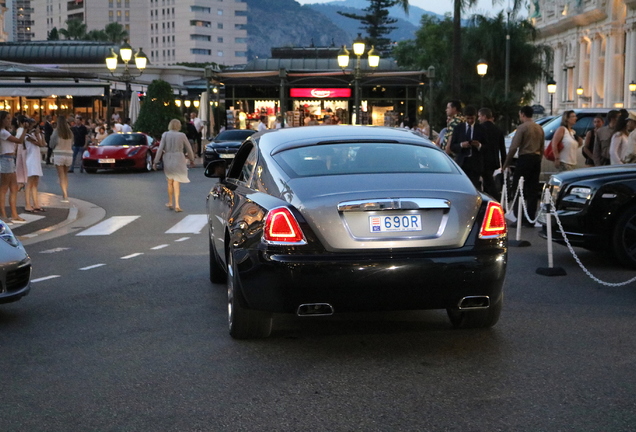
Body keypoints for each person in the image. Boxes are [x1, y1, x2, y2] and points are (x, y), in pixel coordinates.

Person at [502, 106, 545, 226]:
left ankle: (518, 216)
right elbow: (542, 147)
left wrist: (506, 163)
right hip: (536, 159)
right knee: (532, 189)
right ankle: (530, 216)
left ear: (522, 114)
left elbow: (514, 147)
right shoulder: (539, 128)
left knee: (518, 188)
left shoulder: (522, 128)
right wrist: (539, 159)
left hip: (525, 158)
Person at [153, 119, 195, 212]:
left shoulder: (165, 134)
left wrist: (155, 161)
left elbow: (160, 149)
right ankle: (177, 204)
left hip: (168, 157)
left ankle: (170, 202)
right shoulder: (182, 135)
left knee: (170, 181)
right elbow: (189, 148)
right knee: (177, 181)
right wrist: (191, 159)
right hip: (179, 157)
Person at [0, 111, 27, 222]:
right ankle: (4, 215)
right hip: (6, 160)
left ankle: (13, 214)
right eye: (7, 118)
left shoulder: (5, 132)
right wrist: (25, 129)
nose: (9, 120)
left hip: (10, 159)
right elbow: (19, 141)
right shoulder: (3, 132)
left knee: (13, 188)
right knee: (4, 189)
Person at [450, 106, 486, 189]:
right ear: (464, 117)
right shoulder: (458, 128)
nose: (470, 121)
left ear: (475, 117)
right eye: (468, 118)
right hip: (462, 163)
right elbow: (452, 146)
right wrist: (461, 145)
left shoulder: (481, 129)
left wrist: (479, 145)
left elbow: (486, 147)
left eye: (472, 118)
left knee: (474, 187)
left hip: (475, 164)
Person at [478, 108, 507, 198]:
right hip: (494, 160)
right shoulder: (498, 130)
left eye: (479, 116)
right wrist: (504, 164)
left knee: (488, 183)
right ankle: (490, 199)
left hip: (482, 159)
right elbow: (502, 148)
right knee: (488, 182)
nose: (478, 119)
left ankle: (495, 200)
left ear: (484, 116)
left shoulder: (480, 128)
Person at [23, 120, 46, 212]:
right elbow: (39, 144)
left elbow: (43, 143)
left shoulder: (35, 135)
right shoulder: (27, 136)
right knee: (29, 183)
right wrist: (36, 135)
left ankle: (36, 204)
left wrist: (41, 134)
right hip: (30, 160)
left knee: (35, 183)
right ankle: (27, 204)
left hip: (36, 160)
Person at [50, 115, 74, 202]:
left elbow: (51, 144)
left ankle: (65, 195)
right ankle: (65, 194)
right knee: (65, 175)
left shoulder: (56, 132)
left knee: (61, 176)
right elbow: (72, 143)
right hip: (69, 154)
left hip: (59, 154)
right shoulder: (70, 132)